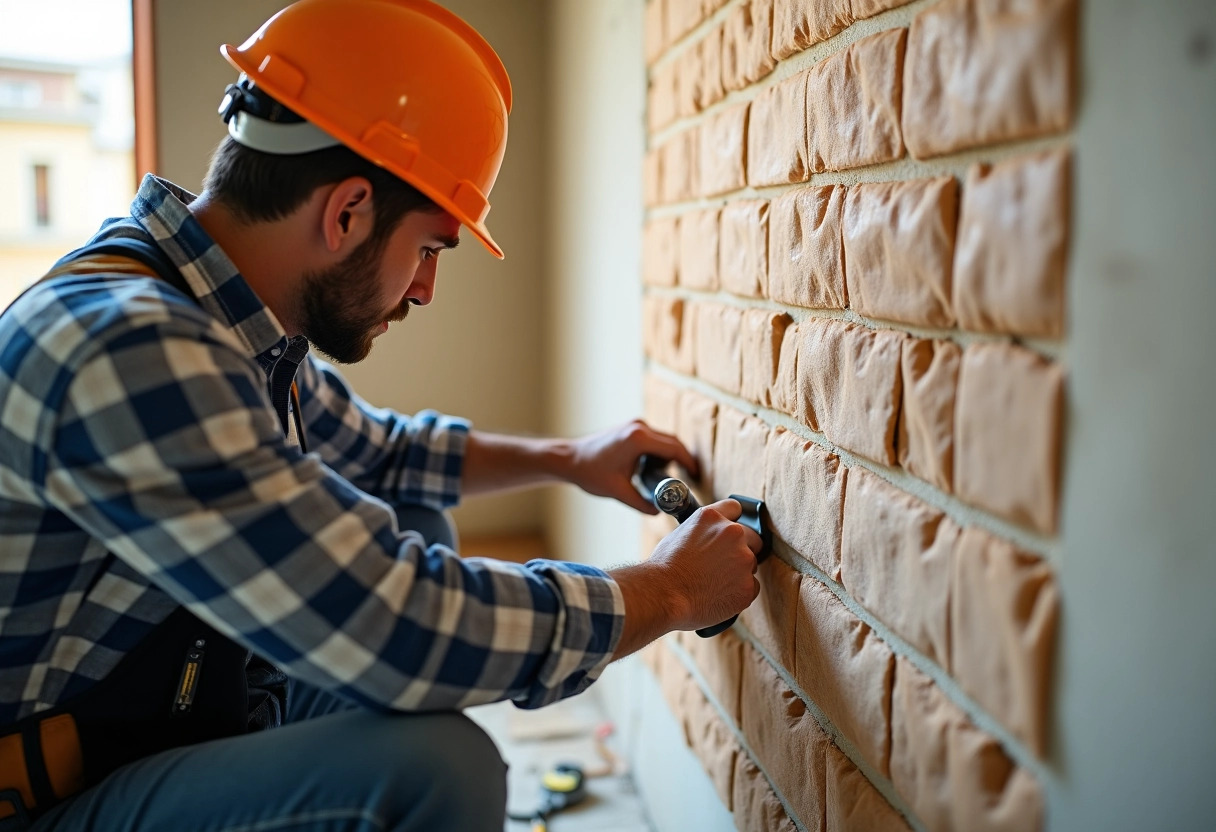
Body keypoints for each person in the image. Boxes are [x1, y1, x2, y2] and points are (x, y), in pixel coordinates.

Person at [0, 1, 762, 830]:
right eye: (431, 248)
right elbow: (392, 622)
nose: (427, 288)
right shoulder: (130, 350)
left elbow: (387, 456)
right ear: (348, 211)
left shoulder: (212, 316)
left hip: (159, 721)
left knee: (410, 511)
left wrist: (571, 458)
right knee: (435, 774)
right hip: (42, 803)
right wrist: (671, 592)